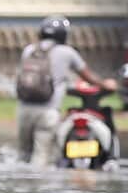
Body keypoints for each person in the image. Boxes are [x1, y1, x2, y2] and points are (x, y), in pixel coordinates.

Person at [15, 16, 117, 167]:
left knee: (23, 155)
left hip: (24, 109)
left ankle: (20, 185)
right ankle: (35, 188)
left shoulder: (29, 50)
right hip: (48, 111)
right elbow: (87, 76)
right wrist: (106, 84)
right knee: (41, 156)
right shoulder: (67, 52)